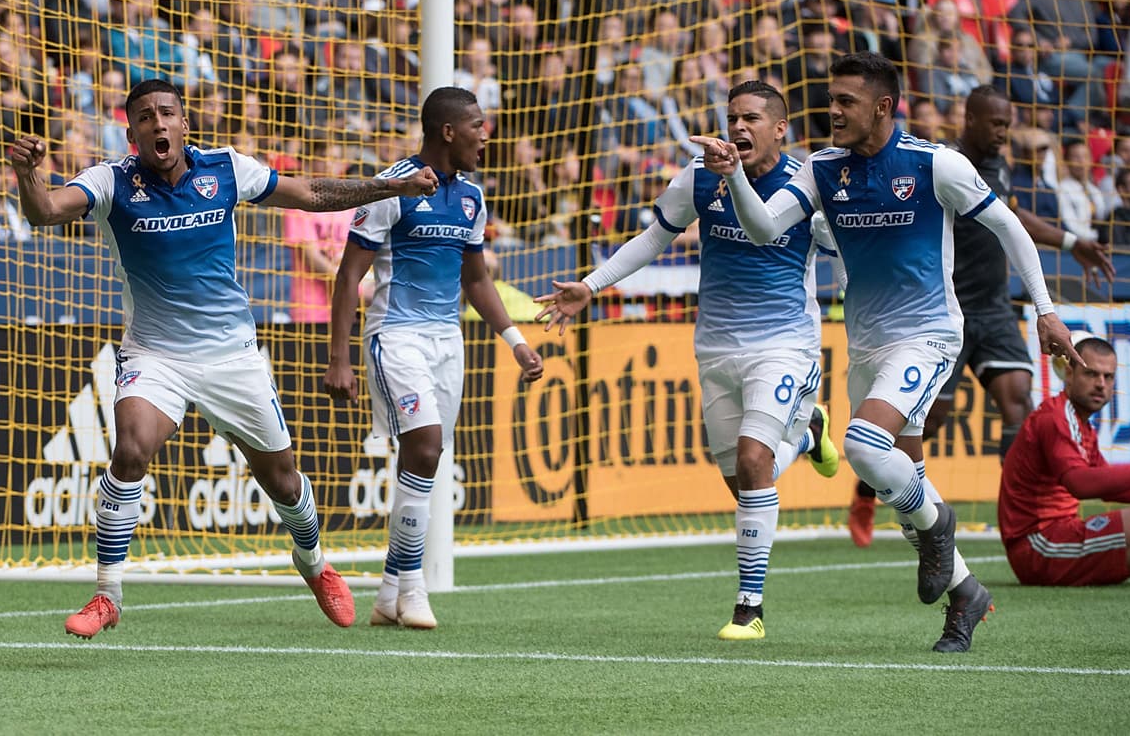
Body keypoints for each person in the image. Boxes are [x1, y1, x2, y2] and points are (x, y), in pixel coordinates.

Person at [6, 78, 439, 639]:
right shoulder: (111, 181)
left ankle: (313, 563)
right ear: (131, 130)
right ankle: (107, 595)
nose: (158, 124)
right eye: (145, 117)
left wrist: (387, 187)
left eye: (167, 113)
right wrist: (27, 172)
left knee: (283, 481)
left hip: (233, 357)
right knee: (131, 449)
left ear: (185, 123)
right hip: (155, 354)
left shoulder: (227, 170)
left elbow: (310, 194)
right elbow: (43, 211)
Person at [689, 51, 1079, 653]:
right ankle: (966, 596)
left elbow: (1010, 228)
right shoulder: (823, 170)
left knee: (863, 448)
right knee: (906, 481)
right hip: (867, 345)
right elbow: (767, 228)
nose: (833, 112)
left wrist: (1046, 308)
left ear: (883, 107)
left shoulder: (935, 165)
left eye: (845, 102)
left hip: (928, 336)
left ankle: (940, 527)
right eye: (831, 100)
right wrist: (733, 173)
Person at [534, 80, 841, 642]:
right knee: (748, 481)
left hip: (784, 345)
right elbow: (655, 237)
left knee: (753, 464)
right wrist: (591, 285)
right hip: (716, 346)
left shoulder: (808, 183)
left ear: (781, 128)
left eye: (752, 118)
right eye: (732, 118)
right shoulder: (700, 175)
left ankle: (749, 609)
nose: (739, 127)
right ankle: (809, 431)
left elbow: (784, 233)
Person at [848, 86, 1116, 548]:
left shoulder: (999, 166)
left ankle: (1020, 511)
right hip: (943, 312)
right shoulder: (943, 165)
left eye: (1008, 125)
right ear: (969, 119)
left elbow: (1013, 216)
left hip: (993, 309)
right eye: (996, 124)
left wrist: (1072, 243)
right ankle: (866, 491)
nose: (1003, 133)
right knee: (927, 422)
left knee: (1017, 403)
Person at [323, 87, 544, 630]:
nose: (486, 136)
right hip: (396, 335)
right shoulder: (391, 186)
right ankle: (414, 584)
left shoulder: (471, 196)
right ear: (449, 131)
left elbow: (476, 279)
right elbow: (350, 275)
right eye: (478, 126)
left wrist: (515, 340)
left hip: (450, 341)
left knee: (426, 457)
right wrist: (339, 358)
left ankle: (389, 592)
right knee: (423, 445)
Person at [999, 335, 1130, 585]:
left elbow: (1110, 488)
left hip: (1052, 541)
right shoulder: (1056, 418)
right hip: (1039, 546)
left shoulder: (1079, 424)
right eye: (1091, 374)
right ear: (1069, 374)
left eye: (1108, 376)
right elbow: (1080, 483)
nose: (1101, 383)